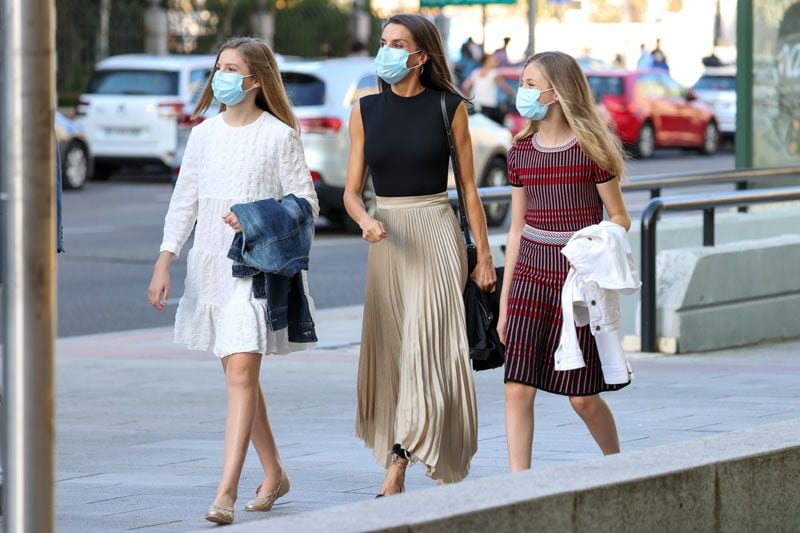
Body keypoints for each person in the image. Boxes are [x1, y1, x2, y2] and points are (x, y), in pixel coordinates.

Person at [147, 37, 319, 525]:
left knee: (243, 375)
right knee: (239, 376)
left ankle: (224, 491)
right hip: (210, 269)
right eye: (218, 66)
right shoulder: (203, 135)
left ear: (255, 80)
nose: (221, 75)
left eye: (232, 68)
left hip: (256, 271)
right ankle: (275, 474)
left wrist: (254, 219)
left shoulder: (278, 135)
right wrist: (164, 261)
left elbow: (307, 203)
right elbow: (185, 201)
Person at [344, 13, 496, 496]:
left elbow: (469, 189)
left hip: (435, 233)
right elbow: (351, 192)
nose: (385, 51)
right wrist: (366, 220)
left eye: (397, 44)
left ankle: (401, 461)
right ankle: (402, 445)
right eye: (383, 42)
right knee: (392, 350)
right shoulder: (365, 109)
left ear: (420, 56)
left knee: (425, 349)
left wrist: (485, 257)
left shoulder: (448, 106)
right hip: (387, 239)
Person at [497, 51, 632, 472]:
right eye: (523, 83)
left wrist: (595, 244)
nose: (524, 91)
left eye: (532, 84)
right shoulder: (519, 153)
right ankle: (520, 491)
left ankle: (620, 469)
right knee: (518, 388)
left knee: (582, 397)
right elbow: (516, 229)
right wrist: (504, 303)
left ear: (558, 92)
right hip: (530, 275)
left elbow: (620, 216)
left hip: (576, 279)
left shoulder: (592, 149)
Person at [462, 53, 516, 125]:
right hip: (488, 107)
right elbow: (505, 87)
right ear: (487, 61)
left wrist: (470, 99)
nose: (496, 61)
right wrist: (514, 95)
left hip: (476, 105)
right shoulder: (494, 73)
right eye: (493, 59)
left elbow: (465, 86)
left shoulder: (476, 72)